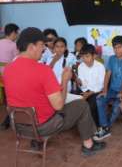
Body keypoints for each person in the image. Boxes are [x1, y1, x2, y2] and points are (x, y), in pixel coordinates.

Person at [3, 27, 106, 156]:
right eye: (42, 45)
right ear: (31, 46)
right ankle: (88, 145)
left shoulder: (8, 69)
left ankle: (36, 141)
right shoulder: (43, 70)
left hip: (19, 125)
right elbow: (58, 105)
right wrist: (64, 81)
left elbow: (28, 93)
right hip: (43, 126)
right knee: (82, 105)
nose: (45, 48)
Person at [96, 36, 122, 140]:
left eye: (119, 47)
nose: (117, 50)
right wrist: (105, 90)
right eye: (115, 47)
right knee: (99, 99)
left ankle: (105, 128)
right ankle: (105, 126)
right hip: (112, 90)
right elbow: (107, 74)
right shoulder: (111, 59)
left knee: (117, 107)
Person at [77, 44, 106, 130]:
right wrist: (80, 83)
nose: (85, 59)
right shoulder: (81, 66)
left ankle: (96, 126)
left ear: (94, 56)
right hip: (86, 91)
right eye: (83, 57)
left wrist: (90, 93)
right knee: (76, 103)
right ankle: (83, 125)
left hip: (97, 91)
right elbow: (84, 84)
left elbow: (101, 85)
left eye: (87, 56)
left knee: (92, 104)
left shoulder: (100, 66)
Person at [46, 37, 81, 103]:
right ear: (54, 48)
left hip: (66, 88)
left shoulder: (71, 57)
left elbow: (75, 70)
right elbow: (47, 73)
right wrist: (54, 60)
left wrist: (76, 77)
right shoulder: (50, 58)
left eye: (62, 46)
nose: (59, 49)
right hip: (53, 89)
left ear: (65, 47)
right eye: (57, 46)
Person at [0, 23, 19, 130]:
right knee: (11, 97)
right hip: (7, 75)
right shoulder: (13, 45)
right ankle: (9, 119)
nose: (17, 36)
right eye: (17, 33)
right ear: (12, 33)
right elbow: (17, 61)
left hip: (0, 76)